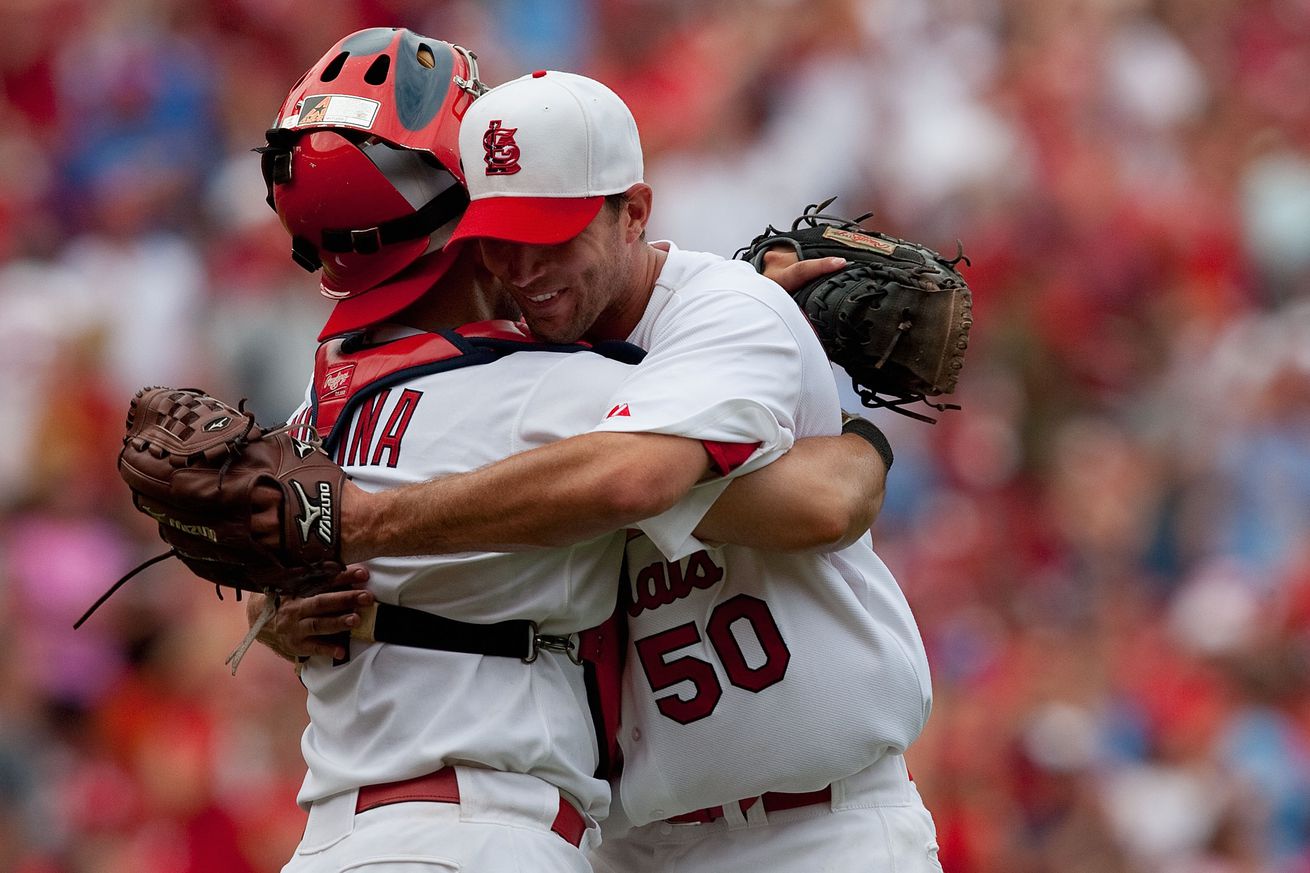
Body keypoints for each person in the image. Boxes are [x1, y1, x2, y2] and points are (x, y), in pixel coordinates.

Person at [250, 28, 896, 873]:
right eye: (501, 233)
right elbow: (812, 494)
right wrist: (860, 436)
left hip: (804, 826)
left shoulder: (327, 404)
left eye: (550, 232)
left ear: (634, 210)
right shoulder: (537, 383)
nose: (523, 265)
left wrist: (288, 588)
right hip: (547, 838)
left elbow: (266, 601)